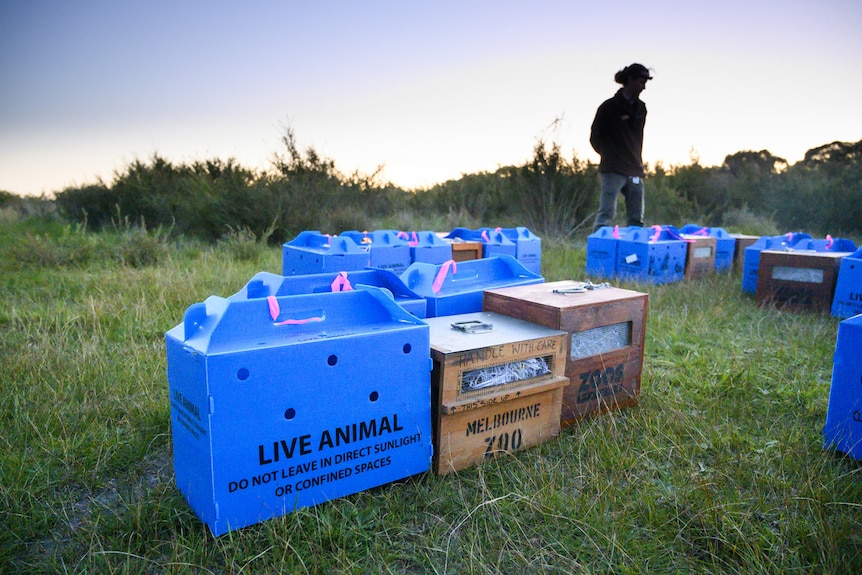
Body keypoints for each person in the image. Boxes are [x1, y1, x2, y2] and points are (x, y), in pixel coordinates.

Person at [589, 63, 652, 232]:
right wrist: (609, 155)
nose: (643, 87)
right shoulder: (608, 107)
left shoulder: (641, 108)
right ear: (630, 80)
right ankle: (599, 249)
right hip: (613, 168)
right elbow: (595, 137)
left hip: (635, 169)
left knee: (636, 218)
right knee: (606, 214)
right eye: (641, 81)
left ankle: (633, 252)